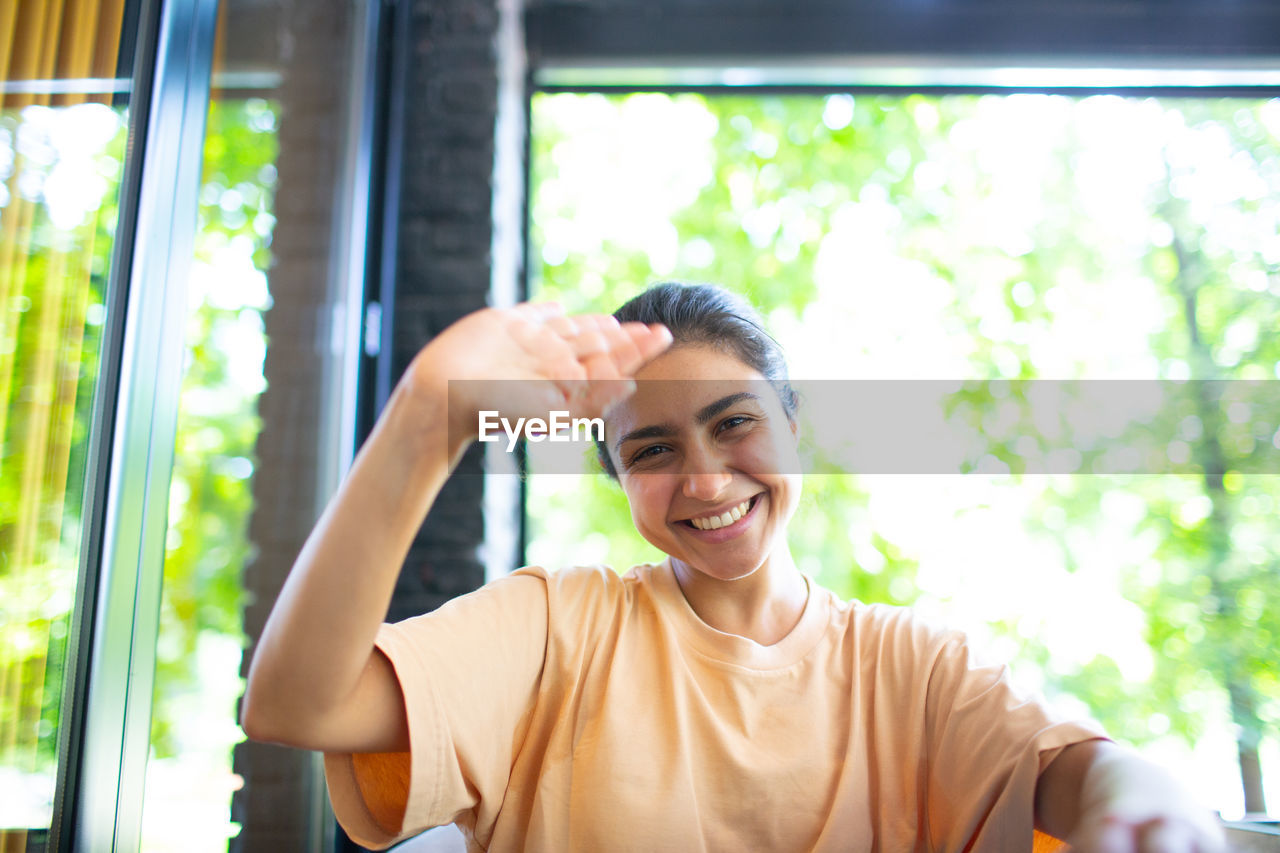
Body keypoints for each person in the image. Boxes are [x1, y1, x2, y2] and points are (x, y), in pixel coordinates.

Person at [241, 282, 1226, 852]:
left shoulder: (912, 665)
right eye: (652, 450)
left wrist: (1157, 806)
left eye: (734, 424)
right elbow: (299, 706)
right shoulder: (554, 627)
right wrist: (430, 414)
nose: (704, 478)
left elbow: (1078, 770)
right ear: (621, 479)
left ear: (792, 425)